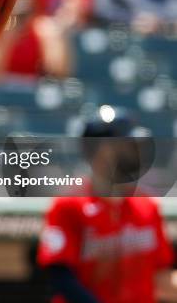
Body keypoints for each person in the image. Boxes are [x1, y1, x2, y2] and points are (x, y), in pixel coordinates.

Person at [38, 106, 177, 303]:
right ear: (99, 151)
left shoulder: (147, 207)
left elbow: (160, 278)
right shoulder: (69, 206)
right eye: (127, 146)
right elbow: (61, 276)